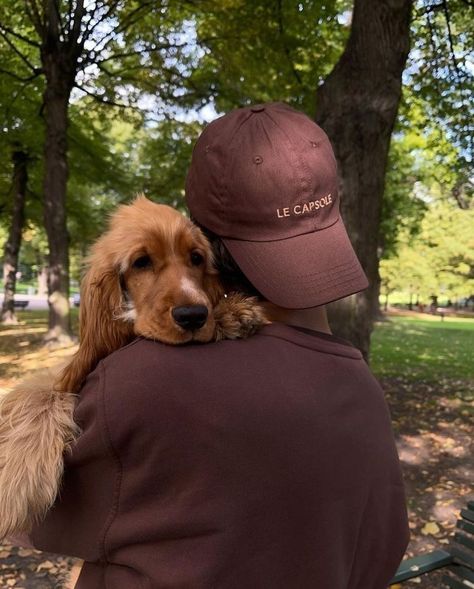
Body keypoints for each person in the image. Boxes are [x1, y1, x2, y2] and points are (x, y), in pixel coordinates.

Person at [23, 102, 409, 588]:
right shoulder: (367, 394)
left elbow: (27, 515)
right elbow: (384, 549)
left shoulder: (137, 383)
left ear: (209, 242)